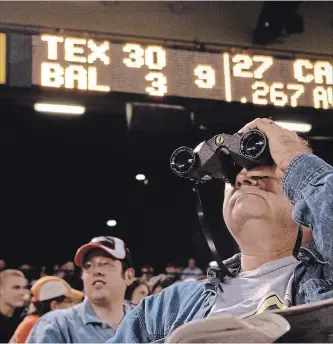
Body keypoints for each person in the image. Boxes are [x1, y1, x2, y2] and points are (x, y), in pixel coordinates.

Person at [109, 118, 333, 343]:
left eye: (270, 165)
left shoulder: (326, 278)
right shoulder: (163, 310)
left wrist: (294, 158)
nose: (244, 176)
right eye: (233, 170)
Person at [26, 236, 135, 343]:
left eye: (105, 263)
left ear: (129, 276)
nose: (96, 270)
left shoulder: (146, 320)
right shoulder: (57, 325)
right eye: (88, 265)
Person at [10, 276, 84, 343]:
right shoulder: (37, 324)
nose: (74, 306)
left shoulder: (34, 321)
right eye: (70, 302)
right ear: (54, 306)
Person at [0, 270, 28, 343]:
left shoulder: (24, 319)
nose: (22, 293)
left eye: (24, 288)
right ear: (1, 290)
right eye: (16, 288)